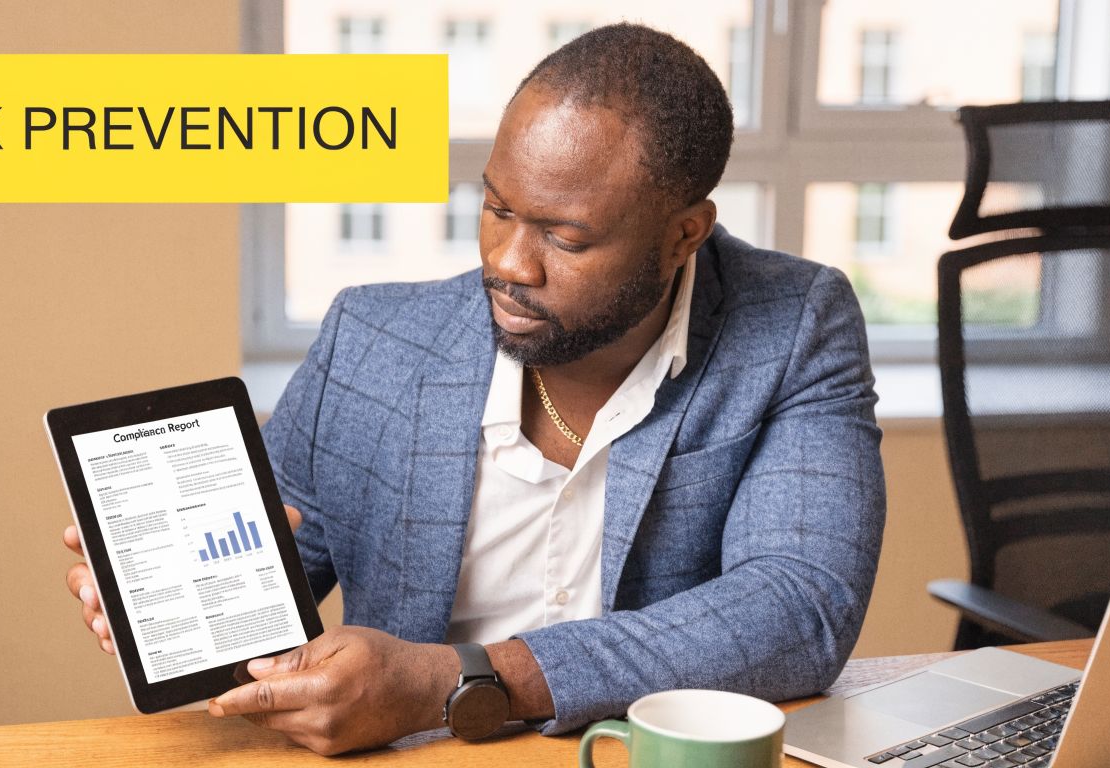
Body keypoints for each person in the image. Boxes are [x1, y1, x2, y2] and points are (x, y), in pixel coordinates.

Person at [64, 22, 885, 756]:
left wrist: (454, 681)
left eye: (564, 236)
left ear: (683, 235)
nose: (508, 263)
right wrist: (178, 602)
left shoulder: (793, 326)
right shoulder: (371, 341)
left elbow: (798, 609)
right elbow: (272, 599)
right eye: (496, 208)